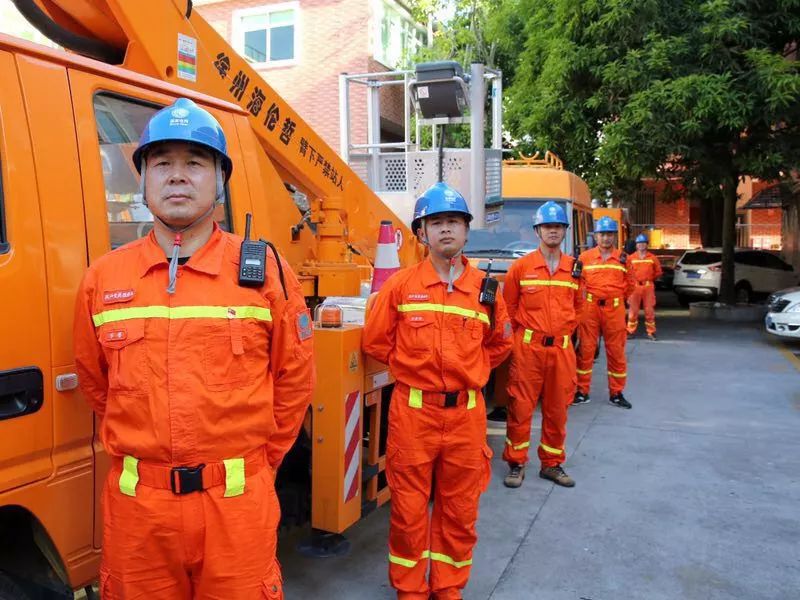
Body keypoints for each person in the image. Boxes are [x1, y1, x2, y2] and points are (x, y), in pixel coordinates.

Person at [73, 98, 315, 599]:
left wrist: (257, 464)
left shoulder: (265, 272)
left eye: (195, 163)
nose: (177, 176)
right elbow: (97, 382)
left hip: (236, 505)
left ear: (220, 179)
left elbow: (294, 378)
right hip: (138, 511)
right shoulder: (104, 279)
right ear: (141, 180)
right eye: (162, 163)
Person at [363, 182, 513, 600]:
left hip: (466, 416)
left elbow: (501, 343)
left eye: (454, 222)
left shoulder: (486, 291)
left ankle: (448, 588)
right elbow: (375, 342)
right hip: (413, 416)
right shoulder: (399, 286)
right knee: (409, 513)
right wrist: (413, 372)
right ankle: (410, 590)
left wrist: (472, 370)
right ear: (421, 233)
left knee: (460, 512)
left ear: (466, 231)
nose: (446, 230)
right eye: (436, 223)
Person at [501, 201, 582, 489]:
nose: (553, 231)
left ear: (564, 231)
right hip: (527, 350)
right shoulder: (521, 268)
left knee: (558, 408)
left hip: (561, 350)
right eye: (548, 226)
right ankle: (516, 462)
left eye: (558, 227)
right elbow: (507, 309)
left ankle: (552, 464)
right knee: (520, 407)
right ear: (537, 230)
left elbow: (579, 308)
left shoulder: (574, 269)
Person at [573, 216, 635, 409]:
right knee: (586, 350)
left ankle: (616, 393)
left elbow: (630, 285)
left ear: (615, 236)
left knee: (616, 351)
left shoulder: (623, 259)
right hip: (590, 308)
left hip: (614, 309)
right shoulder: (585, 258)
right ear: (595, 236)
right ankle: (582, 391)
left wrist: (614, 298)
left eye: (609, 234)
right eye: (602, 234)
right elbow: (577, 284)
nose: (606, 238)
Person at [626, 233, 663, 340]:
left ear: (647, 245)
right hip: (635, 287)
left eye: (643, 243)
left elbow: (658, 272)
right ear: (636, 245)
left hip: (648, 287)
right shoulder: (631, 258)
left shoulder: (653, 258)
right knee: (633, 311)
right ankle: (630, 331)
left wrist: (649, 279)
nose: (641, 245)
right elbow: (627, 272)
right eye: (639, 243)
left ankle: (651, 332)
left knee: (649, 310)